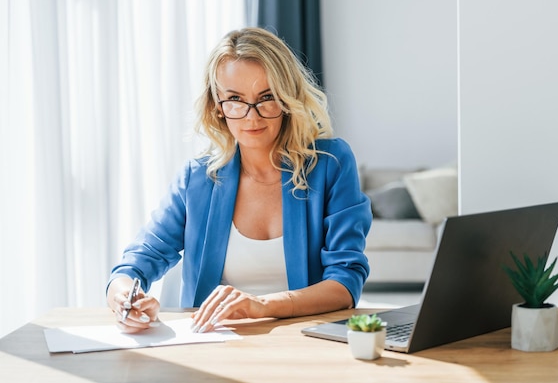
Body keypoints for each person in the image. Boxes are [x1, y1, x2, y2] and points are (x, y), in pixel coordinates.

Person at [106, 27, 372, 334]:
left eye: (266, 98)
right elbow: (137, 262)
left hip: (304, 342)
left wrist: (263, 305)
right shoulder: (197, 179)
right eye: (234, 99)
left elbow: (345, 283)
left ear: (287, 98)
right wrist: (125, 296)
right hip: (214, 345)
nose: (251, 117)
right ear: (216, 106)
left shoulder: (330, 164)